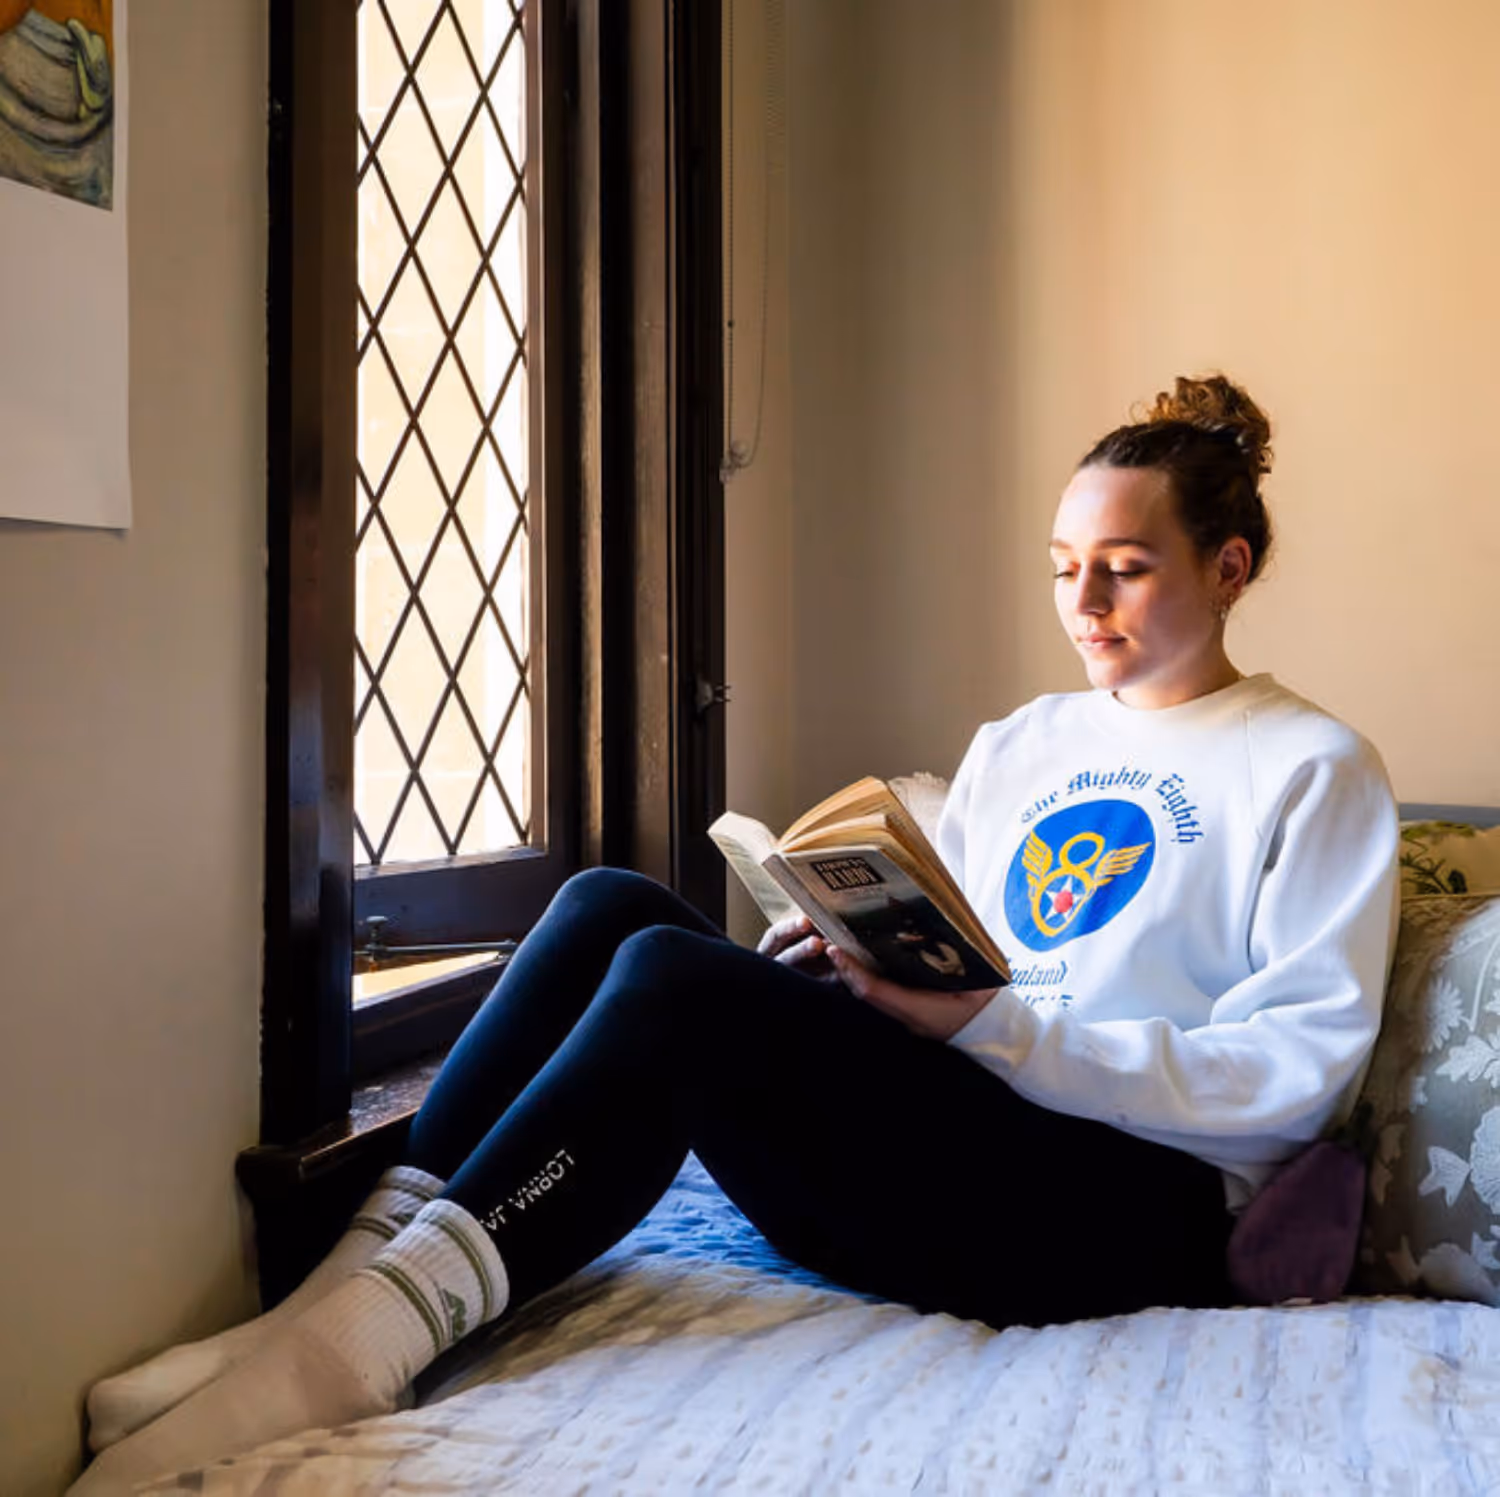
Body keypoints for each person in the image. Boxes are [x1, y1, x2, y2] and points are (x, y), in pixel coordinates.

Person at [71, 373, 1399, 1494]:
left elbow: (1298, 1081)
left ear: (1228, 569)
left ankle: (348, 1351)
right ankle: (328, 1302)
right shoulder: (1028, 742)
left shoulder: (1311, 767)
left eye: (1125, 568)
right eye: (1063, 569)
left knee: (670, 982)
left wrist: (992, 1025)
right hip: (964, 1122)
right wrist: (850, 960)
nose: (1084, 602)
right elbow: (973, 948)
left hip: (1120, 1202)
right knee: (611, 906)